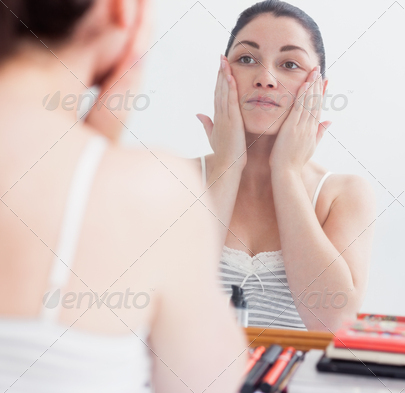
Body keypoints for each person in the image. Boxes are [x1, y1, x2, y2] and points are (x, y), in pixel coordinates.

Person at [0, 0, 246, 392]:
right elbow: (213, 381)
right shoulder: (155, 191)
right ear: (121, 10)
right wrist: (98, 156)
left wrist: (96, 149)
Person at [196, 0, 376, 332]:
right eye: (247, 59)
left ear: (319, 91)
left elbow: (332, 323)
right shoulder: (175, 179)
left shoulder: (344, 195)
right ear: (224, 73)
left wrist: (287, 173)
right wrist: (227, 166)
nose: (265, 78)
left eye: (289, 64)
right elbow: (165, 302)